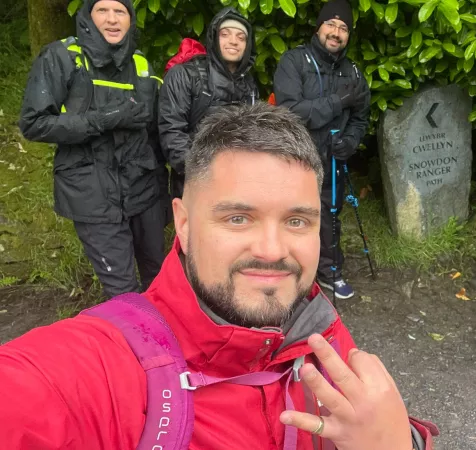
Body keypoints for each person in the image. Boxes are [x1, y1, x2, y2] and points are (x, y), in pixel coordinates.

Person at [0, 103, 436, 450]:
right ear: (184, 224)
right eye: (239, 218)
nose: (272, 251)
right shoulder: (94, 369)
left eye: (297, 222)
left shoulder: (314, 324)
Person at [18, 0, 166, 298]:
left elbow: (155, 133)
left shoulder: (141, 65)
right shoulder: (62, 57)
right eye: (103, 10)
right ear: (88, 16)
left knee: (160, 279)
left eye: (120, 12)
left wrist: (167, 189)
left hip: (142, 189)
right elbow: (34, 123)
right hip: (93, 193)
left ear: (130, 19)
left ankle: (165, 340)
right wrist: (104, 119)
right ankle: (130, 341)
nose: (112, 20)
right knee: (124, 292)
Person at [273, 0, 370, 300]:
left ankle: (329, 272)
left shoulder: (353, 71)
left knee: (329, 214)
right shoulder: (294, 61)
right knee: (292, 215)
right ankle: (289, 272)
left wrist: (351, 142)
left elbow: (361, 117)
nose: (336, 33)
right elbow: (289, 110)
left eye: (343, 28)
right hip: (296, 158)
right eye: (331, 24)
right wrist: (336, 103)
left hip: (333, 159)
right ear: (318, 28)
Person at [159, 7, 258, 199]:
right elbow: (172, 133)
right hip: (196, 182)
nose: (233, 41)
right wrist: (207, 175)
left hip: (239, 183)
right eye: (225, 34)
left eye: (241, 37)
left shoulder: (249, 84)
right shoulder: (185, 75)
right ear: (214, 38)